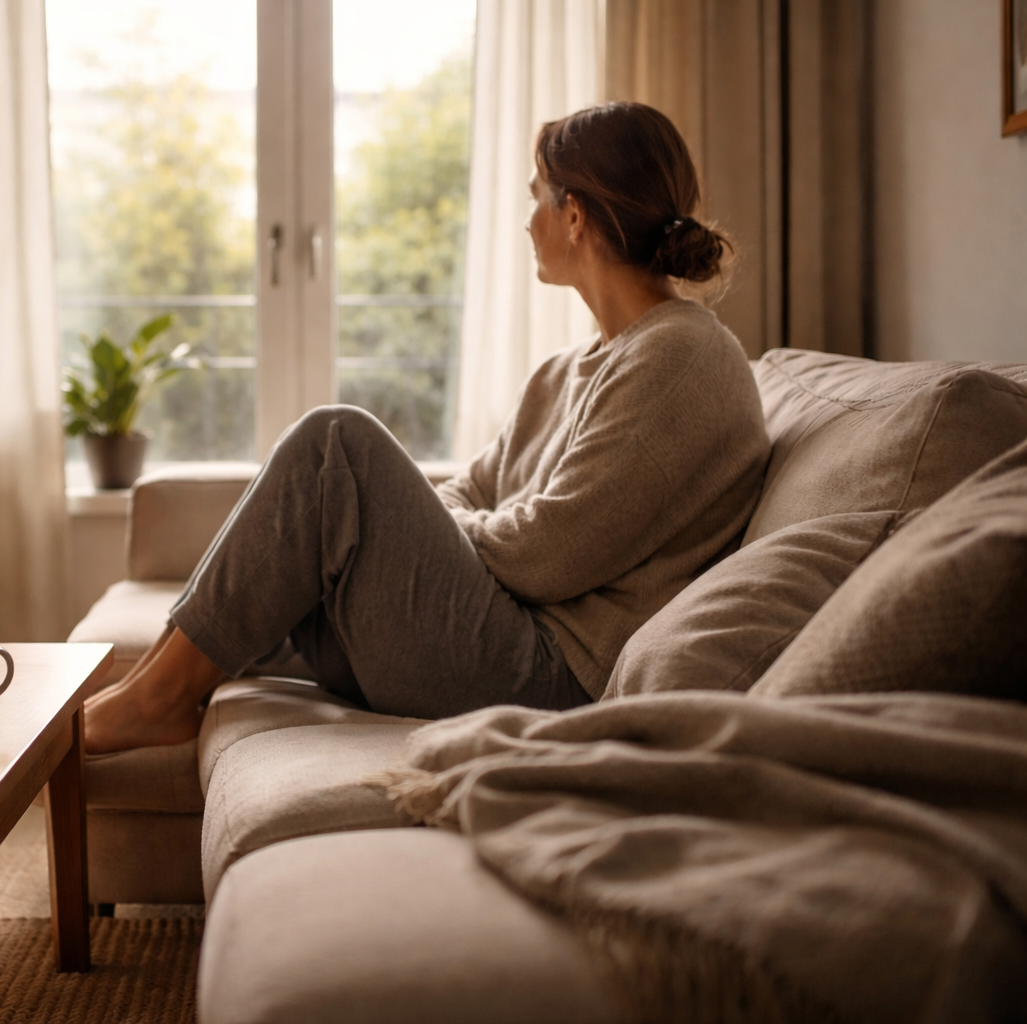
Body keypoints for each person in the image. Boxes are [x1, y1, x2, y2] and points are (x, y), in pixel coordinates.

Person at [84, 102, 771, 755]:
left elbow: (546, 553)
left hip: (549, 679)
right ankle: (153, 687)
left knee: (335, 445)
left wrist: (455, 538)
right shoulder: (565, 371)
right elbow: (468, 490)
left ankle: (158, 699)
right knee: (293, 550)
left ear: (574, 216)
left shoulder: (682, 355)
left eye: (537, 197)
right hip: (493, 639)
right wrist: (457, 531)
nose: (527, 220)